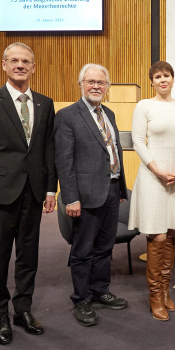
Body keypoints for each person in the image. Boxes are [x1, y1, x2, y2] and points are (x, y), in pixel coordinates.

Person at [0, 42, 57, 345]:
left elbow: (48, 149)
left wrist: (50, 189)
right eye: (14, 60)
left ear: (34, 68)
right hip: (0, 195)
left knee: (28, 256)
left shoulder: (45, 104)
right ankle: (0, 315)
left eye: (26, 61)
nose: (20, 65)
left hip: (33, 192)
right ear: (4, 65)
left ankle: (23, 309)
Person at [55, 64, 129, 327]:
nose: (96, 86)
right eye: (91, 82)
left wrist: (119, 189)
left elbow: (113, 151)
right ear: (81, 84)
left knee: (105, 247)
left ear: (107, 87)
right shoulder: (67, 116)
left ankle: (99, 290)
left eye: (101, 82)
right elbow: (64, 161)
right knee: (83, 249)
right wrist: (70, 198)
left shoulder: (108, 112)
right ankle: (81, 299)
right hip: (84, 196)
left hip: (110, 191)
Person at [129, 61, 175, 321]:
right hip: (153, 178)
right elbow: (138, 141)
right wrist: (158, 170)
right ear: (151, 81)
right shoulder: (144, 105)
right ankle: (154, 296)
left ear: (173, 79)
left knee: (171, 236)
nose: (163, 80)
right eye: (157, 76)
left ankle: (166, 290)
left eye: (167, 75)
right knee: (156, 238)